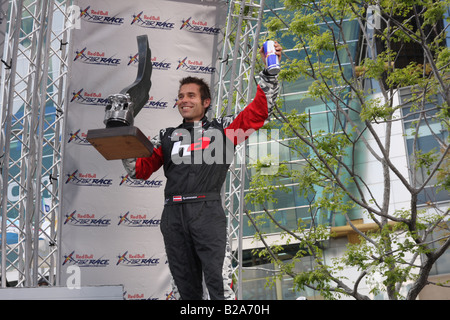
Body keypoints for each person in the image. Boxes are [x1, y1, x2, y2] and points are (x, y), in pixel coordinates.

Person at [122, 42, 282, 300]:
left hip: (207, 212)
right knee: (185, 289)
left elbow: (258, 113)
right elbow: (139, 170)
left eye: (191, 96)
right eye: (181, 96)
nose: (184, 100)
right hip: (173, 215)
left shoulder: (224, 129)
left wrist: (269, 74)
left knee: (218, 285)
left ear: (206, 102)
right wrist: (123, 137)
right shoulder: (166, 136)